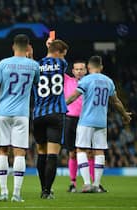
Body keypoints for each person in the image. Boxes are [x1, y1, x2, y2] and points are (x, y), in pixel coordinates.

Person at [0, 34, 40, 202]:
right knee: (20, 153)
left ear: (13, 46)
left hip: (3, 113)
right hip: (21, 114)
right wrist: (31, 58)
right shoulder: (33, 65)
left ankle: (3, 192)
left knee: (2, 151)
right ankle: (16, 194)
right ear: (28, 48)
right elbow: (37, 85)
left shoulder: (3, 63)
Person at [66, 55, 131, 192]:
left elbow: (73, 96)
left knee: (81, 149)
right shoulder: (108, 81)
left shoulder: (86, 80)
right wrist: (124, 115)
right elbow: (116, 101)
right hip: (101, 122)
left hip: (86, 121)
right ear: (101, 67)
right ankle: (96, 184)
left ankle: (87, 183)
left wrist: (61, 106)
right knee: (99, 151)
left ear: (88, 68)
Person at [33, 39, 69, 199]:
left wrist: (49, 49)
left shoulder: (35, 65)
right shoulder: (61, 64)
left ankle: (43, 188)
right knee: (52, 155)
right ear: (59, 52)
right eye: (63, 53)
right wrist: (51, 47)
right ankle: (47, 191)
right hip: (56, 114)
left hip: (38, 114)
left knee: (41, 153)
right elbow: (58, 60)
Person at [64, 60, 87, 192]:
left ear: (86, 71)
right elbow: (56, 67)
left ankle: (89, 182)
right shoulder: (67, 80)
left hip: (85, 120)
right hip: (70, 119)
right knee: (72, 153)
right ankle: (73, 183)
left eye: (81, 69)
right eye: (76, 69)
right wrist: (51, 48)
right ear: (73, 71)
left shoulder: (90, 82)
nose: (79, 71)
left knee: (89, 153)